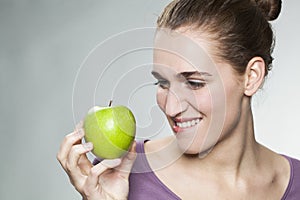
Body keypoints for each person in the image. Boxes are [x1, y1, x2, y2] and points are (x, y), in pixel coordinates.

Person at [57, 0, 300, 199]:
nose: (171, 107)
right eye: (162, 83)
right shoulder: (122, 176)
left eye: (194, 83)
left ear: (251, 77)